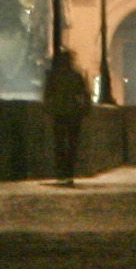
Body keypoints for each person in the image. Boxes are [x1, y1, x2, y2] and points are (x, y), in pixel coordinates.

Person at [42, 38, 93, 186]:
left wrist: (48, 108)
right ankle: (68, 173)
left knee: (59, 144)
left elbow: (48, 95)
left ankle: (61, 173)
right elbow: (84, 94)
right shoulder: (76, 76)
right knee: (72, 145)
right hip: (73, 113)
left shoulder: (53, 76)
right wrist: (85, 108)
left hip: (58, 113)